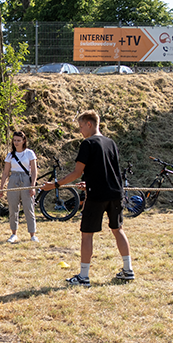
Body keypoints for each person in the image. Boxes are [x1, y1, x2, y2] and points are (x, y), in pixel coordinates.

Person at [41, 110, 133, 287]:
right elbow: (106, 169)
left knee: (87, 235)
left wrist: (55, 184)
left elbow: (77, 172)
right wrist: (88, 181)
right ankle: (128, 270)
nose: (80, 130)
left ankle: (83, 276)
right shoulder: (111, 143)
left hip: (97, 196)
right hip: (115, 193)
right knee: (118, 229)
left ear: (89, 124)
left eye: (81, 126)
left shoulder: (87, 143)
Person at [0, 130, 38, 243]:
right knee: (13, 208)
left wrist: (32, 186)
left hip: (26, 179)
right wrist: (2, 187)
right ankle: (14, 233)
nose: (16, 142)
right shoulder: (10, 155)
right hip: (13, 180)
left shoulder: (30, 153)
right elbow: (5, 173)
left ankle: (32, 234)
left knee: (28, 208)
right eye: (14, 140)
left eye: (19, 140)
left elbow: (34, 171)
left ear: (23, 141)